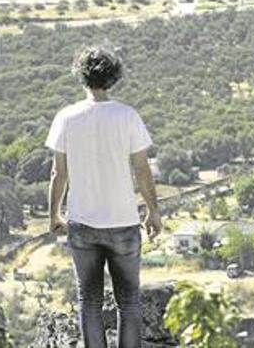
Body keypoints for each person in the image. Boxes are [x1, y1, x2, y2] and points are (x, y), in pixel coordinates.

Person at [46, 46, 162, 348]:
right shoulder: (127, 116)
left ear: (81, 76)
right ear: (113, 77)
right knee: (129, 301)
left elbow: (59, 174)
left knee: (89, 300)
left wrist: (54, 215)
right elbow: (142, 171)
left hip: (82, 222)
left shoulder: (66, 117)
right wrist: (153, 211)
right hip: (123, 221)